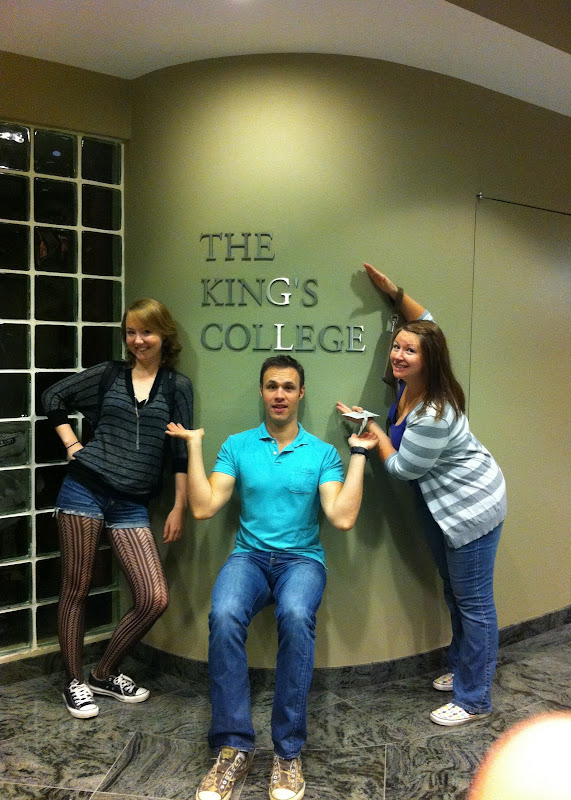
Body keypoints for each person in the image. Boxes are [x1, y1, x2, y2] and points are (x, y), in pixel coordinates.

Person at [166, 354, 377, 800]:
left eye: (288, 387)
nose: (279, 394)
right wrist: (195, 446)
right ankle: (232, 748)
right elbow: (203, 507)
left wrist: (358, 453)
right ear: (262, 392)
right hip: (250, 558)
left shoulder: (321, 453)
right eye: (271, 386)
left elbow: (341, 518)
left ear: (301, 394)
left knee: (296, 615)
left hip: (302, 561)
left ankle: (287, 753)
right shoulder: (238, 446)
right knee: (224, 614)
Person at [337, 262, 507, 727]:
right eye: (396, 346)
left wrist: (371, 428)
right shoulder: (410, 384)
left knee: (474, 603)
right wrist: (394, 293)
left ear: (428, 359)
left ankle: (474, 698)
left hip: (471, 508)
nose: (398, 355)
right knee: (456, 593)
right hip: (443, 505)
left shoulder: (433, 412)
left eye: (409, 350)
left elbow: (401, 468)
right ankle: (467, 668)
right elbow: (426, 320)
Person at [42, 297, 193, 720]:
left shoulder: (177, 387)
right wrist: (73, 443)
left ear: (164, 334)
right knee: (76, 587)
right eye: (131, 332)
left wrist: (179, 505)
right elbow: (52, 396)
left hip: (132, 502)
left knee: (153, 598)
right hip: (84, 490)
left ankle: (103, 673)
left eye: (147, 331)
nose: (138, 340)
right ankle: (74, 681)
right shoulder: (109, 374)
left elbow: (180, 452)